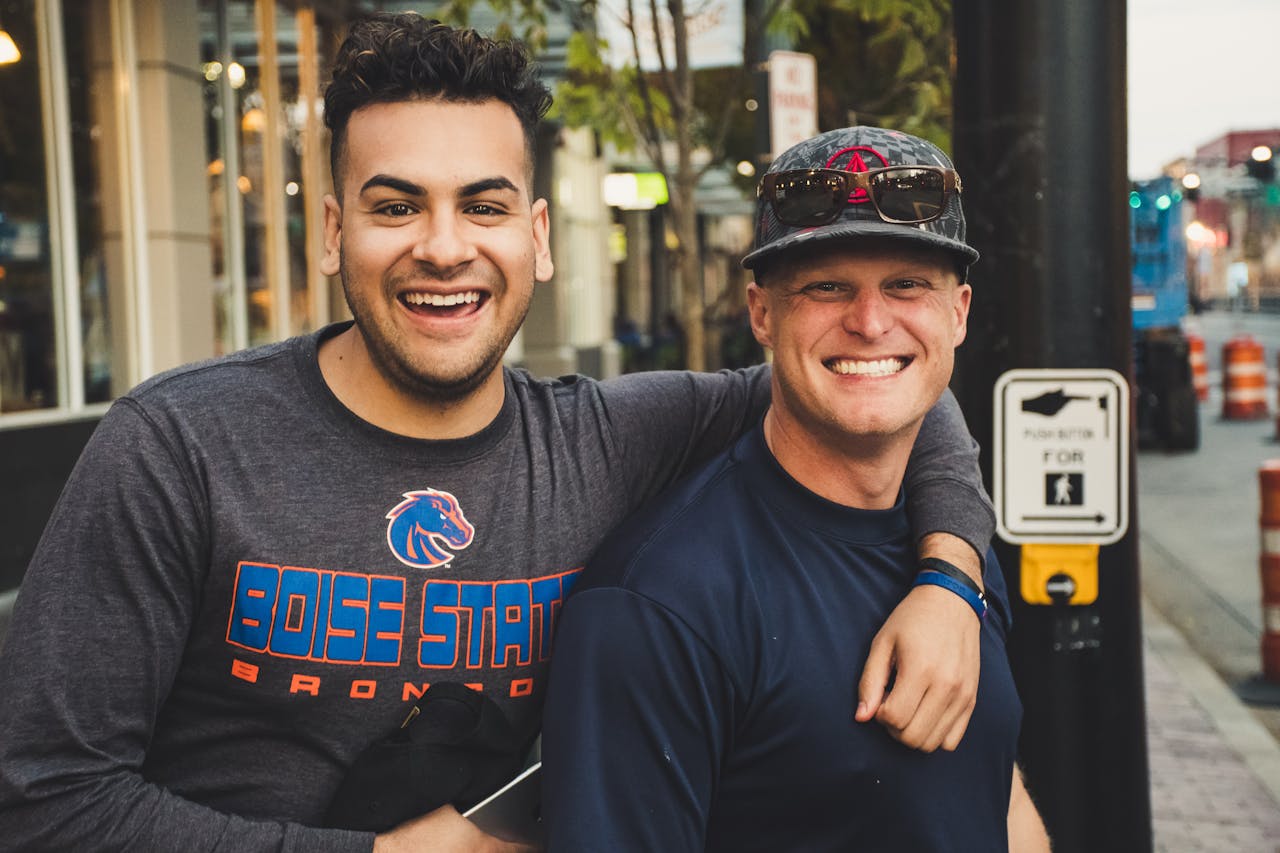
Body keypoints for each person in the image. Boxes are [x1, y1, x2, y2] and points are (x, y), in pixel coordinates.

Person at [0, 16, 993, 853]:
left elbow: (873, 377)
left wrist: (947, 580)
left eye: (483, 204)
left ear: (539, 237)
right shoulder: (180, 446)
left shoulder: (606, 436)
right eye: (396, 207)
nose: (443, 245)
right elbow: (43, 796)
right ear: (334, 233)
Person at [542, 126, 1051, 851]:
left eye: (907, 284)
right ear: (761, 314)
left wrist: (954, 580)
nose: (871, 322)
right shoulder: (657, 607)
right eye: (826, 286)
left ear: (958, 313)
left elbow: (991, 788)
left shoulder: (954, 555)